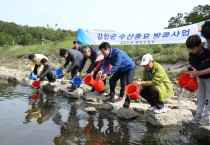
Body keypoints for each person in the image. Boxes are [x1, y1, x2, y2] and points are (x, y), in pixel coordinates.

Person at [97, 42, 136, 107]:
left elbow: (116, 66)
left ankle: (127, 100)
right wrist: (101, 70)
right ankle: (112, 97)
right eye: (101, 51)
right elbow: (104, 65)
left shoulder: (117, 53)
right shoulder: (106, 56)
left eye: (103, 51)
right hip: (121, 69)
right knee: (112, 80)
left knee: (129, 83)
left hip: (129, 67)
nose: (102, 53)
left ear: (108, 49)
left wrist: (107, 73)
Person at [186, 35, 210, 125]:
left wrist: (198, 73)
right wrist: (191, 74)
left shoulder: (207, 53)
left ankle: (206, 117)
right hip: (201, 79)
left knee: (208, 98)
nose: (192, 51)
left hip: (208, 78)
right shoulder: (192, 55)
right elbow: (193, 66)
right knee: (200, 97)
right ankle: (198, 115)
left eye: (193, 49)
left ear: (199, 46)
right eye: (190, 49)